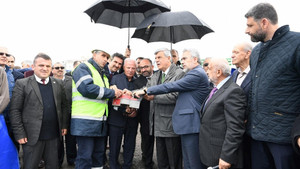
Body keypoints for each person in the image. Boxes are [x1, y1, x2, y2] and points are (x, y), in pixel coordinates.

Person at [245, 3, 300, 168]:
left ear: (264, 22)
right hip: (256, 136)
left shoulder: (297, 43)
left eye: (250, 25)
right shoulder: (256, 52)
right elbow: (254, 88)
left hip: (285, 139)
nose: (246, 30)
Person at [134, 49, 210, 169]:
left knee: (190, 161)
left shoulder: (196, 73)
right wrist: (133, 92)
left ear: (195, 59)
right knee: (186, 162)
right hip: (179, 124)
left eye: (185, 58)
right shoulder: (159, 74)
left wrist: (147, 92)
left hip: (189, 124)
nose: (181, 61)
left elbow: (173, 87)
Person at [10, 53, 68, 169]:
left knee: (53, 165)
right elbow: (15, 110)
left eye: (48, 66)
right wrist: (19, 133)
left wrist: (64, 125)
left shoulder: (58, 84)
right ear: (33, 66)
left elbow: (64, 106)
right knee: (30, 165)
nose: (45, 68)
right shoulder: (22, 84)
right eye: (41, 65)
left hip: (53, 136)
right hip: (31, 137)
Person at [71, 49, 122, 169]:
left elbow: (104, 95)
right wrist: (112, 92)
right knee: (85, 157)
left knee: (98, 157)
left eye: (107, 57)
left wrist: (120, 93)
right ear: (94, 55)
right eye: (103, 55)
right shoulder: (83, 68)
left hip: (99, 123)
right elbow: (87, 89)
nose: (105, 59)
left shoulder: (102, 74)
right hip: (85, 122)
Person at [199, 58, 247, 169]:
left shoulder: (233, 91)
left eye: (209, 68)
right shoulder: (216, 89)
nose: (206, 71)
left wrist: (227, 156)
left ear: (219, 72)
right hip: (210, 152)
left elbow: (235, 128)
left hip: (221, 155)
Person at [142, 48, 185, 169]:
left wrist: (153, 97)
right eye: (155, 58)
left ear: (169, 58)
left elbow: (175, 96)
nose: (156, 61)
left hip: (170, 124)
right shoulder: (156, 75)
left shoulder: (179, 73)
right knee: (162, 160)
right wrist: (132, 93)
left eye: (159, 57)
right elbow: (146, 89)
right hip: (156, 124)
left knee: (174, 160)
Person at [108, 58, 139, 169]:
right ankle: (113, 166)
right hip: (116, 119)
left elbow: (142, 100)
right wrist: (123, 110)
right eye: (128, 68)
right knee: (114, 146)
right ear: (123, 67)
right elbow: (111, 99)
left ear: (136, 69)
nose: (130, 70)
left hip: (132, 120)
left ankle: (127, 165)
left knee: (130, 145)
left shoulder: (138, 81)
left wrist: (135, 111)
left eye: (133, 68)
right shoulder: (115, 79)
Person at [231, 42, 253, 169]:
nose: (232, 55)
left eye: (236, 52)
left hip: (249, 128)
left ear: (247, 54)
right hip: (234, 128)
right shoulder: (234, 75)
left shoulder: (256, 74)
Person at [52, 62, 76, 166]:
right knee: (58, 141)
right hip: (56, 116)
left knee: (71, 140)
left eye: (62, 67)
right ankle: (58, 161)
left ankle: (72, 160)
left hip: (70, 114)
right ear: (52, 70)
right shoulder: (49, 81)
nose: (60, 69)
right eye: (57, 68)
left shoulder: (71, 81)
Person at [133, 58, 155, 169]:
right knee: (146, 138)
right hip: (145, 115)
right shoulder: (137, 81)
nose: (143, 69)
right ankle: (147, 161)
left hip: (159, 113)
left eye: (146, 66)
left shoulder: (159, 77)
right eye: (141, 67)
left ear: (152, 66)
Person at [0, 67, 20, 169]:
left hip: (6, 116)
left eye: (5, 54)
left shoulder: (2, 72)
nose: (4, 56)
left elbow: (5, 96)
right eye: (1, 53)